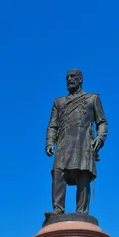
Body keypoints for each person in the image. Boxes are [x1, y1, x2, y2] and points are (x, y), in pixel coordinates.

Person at [45, 69, 108, 215]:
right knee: (57, 172)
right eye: (67, 77)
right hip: (63, 143)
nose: (69, 79)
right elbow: (52, 126)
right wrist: (49, 142)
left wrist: (100, 137)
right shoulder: (58, 102)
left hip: (83, 143)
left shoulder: (92, 98)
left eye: (72, 77)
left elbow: (102, 122)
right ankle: (58, 210)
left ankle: (82, 213)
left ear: (80, 79)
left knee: (83, 174)